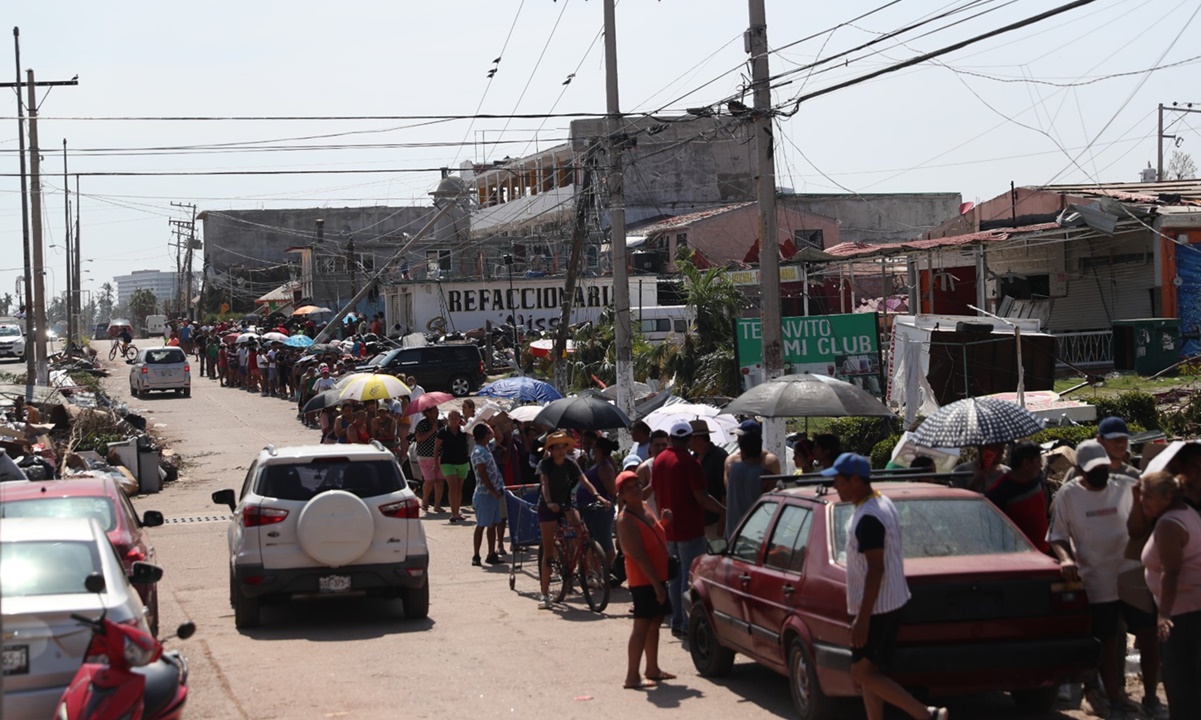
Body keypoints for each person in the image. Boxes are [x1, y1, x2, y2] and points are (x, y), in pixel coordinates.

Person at [826, 453, 948, 720]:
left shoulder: (869, 516)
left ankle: (926, 714)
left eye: (838, 481)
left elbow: (876, 568)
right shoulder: (880, 502)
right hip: (885, 601)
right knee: (870, 674)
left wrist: (863, 618)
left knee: (860, 673)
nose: (835, 487)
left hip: (877, 607)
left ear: (855, 480)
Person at [1050, 440, 1159, 720]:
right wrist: (1065, 558)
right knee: (1108, 641)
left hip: (1131, 573)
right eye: (1092, 470)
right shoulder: (1068, 495)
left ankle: (1150, 697)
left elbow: (1146, 522)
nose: (1098, 474)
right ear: (1079, 471)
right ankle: (1115, 702)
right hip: (1096, 578)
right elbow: (1058, 535)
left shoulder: (1125, 485)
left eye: (1101, 468)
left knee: (1148, 637)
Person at [652, 420, 725, 637]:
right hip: (691, 528)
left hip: (669, 528)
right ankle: (686, 622)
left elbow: (656, 494)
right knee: (688, 576)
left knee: (674, 576)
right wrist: (723, 510)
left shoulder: (659, 461)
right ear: (689, 439)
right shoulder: (691, 463)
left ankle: (677, 620)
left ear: (672, 438)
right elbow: (701, 497)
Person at [1140, 471, 1201, 720]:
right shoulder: (1186, 512)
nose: (1142, 502)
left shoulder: (1169, 524)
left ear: (1166, 498)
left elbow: (1171, 571)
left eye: (1147, 497)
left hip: (1182, 616)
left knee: (1182, 689)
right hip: (1190, 612)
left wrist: (1163, 614)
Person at [536, 431, 609, 610]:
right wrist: (550, 502)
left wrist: (599, 497)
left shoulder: (571, 463)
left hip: (566, 504)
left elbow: (584, 481)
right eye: (557, 447)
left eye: (563, 447)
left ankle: (589, 571)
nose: (561, 451)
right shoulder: (545, 464)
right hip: (548, 508)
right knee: (549, 553)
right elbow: (544, 485)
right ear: (551, 450)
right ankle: (545, 594)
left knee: (582, 531)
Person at [615, 471, 674, 690]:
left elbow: (652, 534)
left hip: (657, 575)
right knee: (641, 626)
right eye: (629, 488)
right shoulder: (625, 519)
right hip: (644, 580)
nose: (636, 489)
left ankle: (652, 668)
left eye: (637, 485)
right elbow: (638, 555)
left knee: (654, 622)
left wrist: (664, 523)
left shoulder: (644, 507)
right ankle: (632, 676)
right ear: (621, 495)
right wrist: (656, 585)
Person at [984, 441, 1051, 554]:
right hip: (1018, 557)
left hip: (1044, 553)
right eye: (1038, 462)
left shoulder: (1036, 481)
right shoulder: (998, 493)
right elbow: (993, 531)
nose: (1040, 466)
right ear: (1026, 464)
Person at [723, 420, 780, 539]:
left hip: (760, 529)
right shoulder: (731, 461)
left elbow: (773, 497)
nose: (738, 440)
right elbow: (731, 494)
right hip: (736, 526)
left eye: (741, 437)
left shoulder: (770, 461)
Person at [580, 436, 619, 570]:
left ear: (599, 450)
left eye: (594, 447)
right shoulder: (595, 464)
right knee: (594, 543)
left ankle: (613, 572)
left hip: (600, 511)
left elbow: (612, 490)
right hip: (589, 510)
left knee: (605, 543)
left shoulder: (605, 468)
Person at [471, 423, 505, 566]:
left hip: (493, 493)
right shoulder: (479, 452)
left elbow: (499, 438)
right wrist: (492, 490)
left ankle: (491, 553)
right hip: (485, 494)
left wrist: (492, 424)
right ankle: (476, 555)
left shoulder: (486, 448)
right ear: (483, 436)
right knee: (482, 525)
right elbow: (482, 474)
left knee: (492, 525)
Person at [689, 420, 729, 541]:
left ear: (699, 439)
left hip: (715, 522)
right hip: (698, 523)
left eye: (690, 438)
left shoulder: (719, 456)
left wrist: (723, 521)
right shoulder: (693, 458)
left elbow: (725, 491)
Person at [435, 410, 471, 523]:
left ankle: (457, 510)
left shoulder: (463, 430)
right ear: (448, 419)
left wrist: (466, 425)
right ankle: (453, 513)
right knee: (453, 486)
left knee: (459, 488)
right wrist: (436, 464)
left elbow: (473, 433)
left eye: (456, 418)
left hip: (462, 461)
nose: (454, 421)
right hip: (447, 462)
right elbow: (436, 448)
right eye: (452, 418)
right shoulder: (443, 431)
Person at [414, 406, 443, 513]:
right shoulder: (422, 424)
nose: (437, 413)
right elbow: (419, 439)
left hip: (439, 456)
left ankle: (437, 504)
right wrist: (432, 430)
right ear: (428, 413)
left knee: (440, 480)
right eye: (434, 411)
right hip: (425, 456)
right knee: (429, 479)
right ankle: (425, 500)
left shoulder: (441, 423)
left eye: (437, 410)